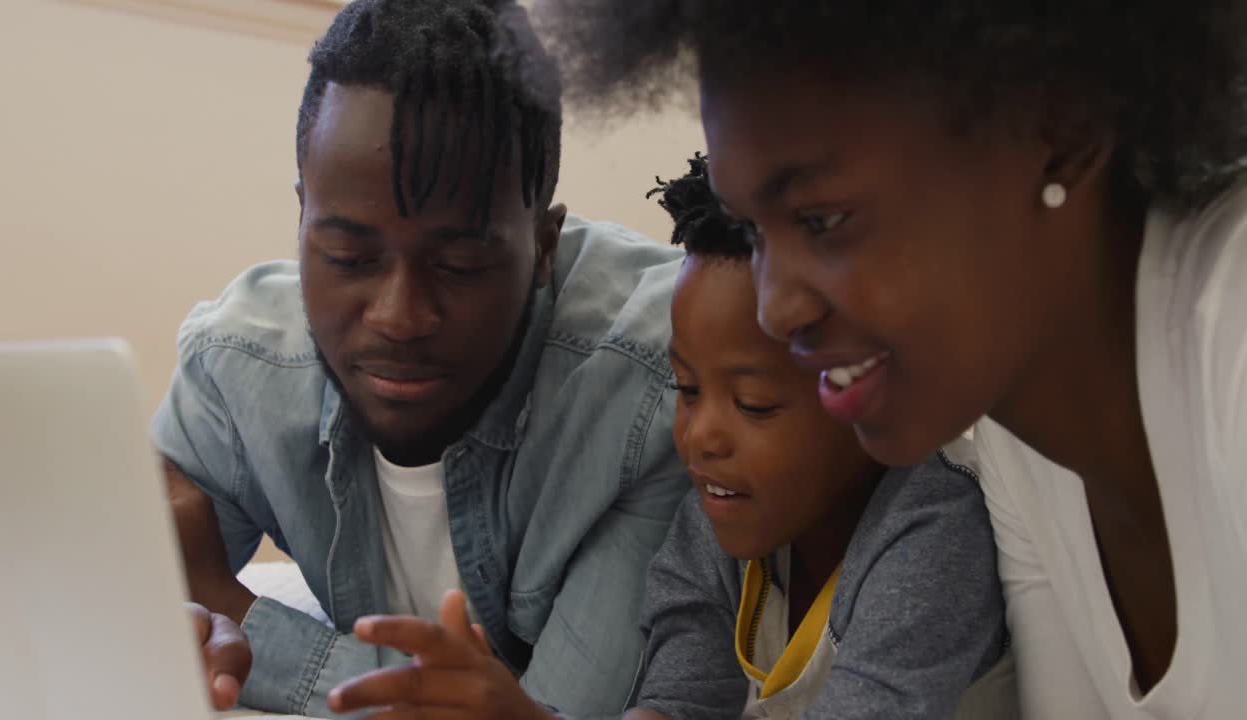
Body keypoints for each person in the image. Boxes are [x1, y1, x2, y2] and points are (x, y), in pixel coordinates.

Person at [532, 2, 1247, 718]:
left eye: (822, 219)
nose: (777, 308)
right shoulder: (1014, 443)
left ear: (1057, 127)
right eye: (756, 229)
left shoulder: (1230, 334)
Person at [325, 155, 1016, 720]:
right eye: (686, 390)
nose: (701, 437)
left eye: (754, 404)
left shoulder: (931, 533)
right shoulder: (716, 529)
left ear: (871, 387)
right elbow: (677, 707)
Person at [157, 0, 689, 716]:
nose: (400, 317)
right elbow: (136, 612)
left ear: (543, 246)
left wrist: (246, 619)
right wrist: (192, 617)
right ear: (303, 219)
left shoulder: (657, 381)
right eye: (349, 257)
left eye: (462, 264)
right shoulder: (236, 368)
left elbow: (551, 713)